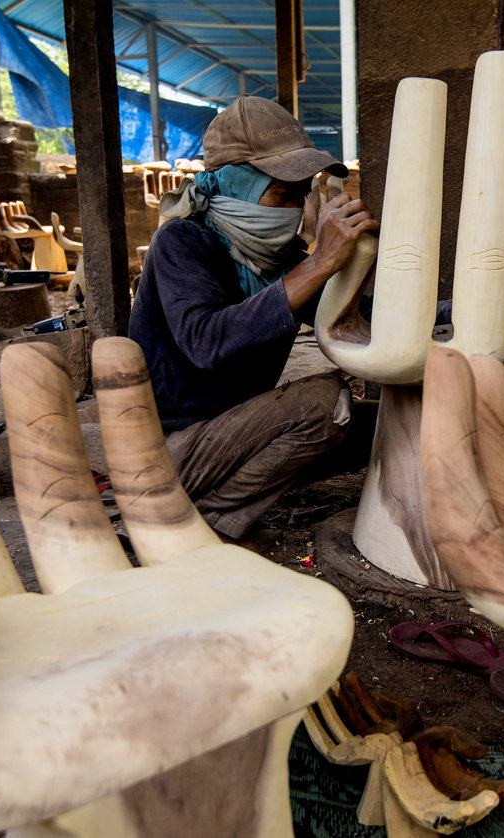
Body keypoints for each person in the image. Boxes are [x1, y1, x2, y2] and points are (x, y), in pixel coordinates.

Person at [128, 95, 378, 540]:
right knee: (324, 404)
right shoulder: (182, 243)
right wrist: (320, 262)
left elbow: (355, 315)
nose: (294, 211)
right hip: (167, 452)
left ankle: (215, 505)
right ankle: (203, 518)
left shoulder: (275, 259)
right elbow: (207, 343)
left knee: (380, 426)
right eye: (281, 193)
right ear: (234, 184)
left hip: (231, 436)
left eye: (301, 196)